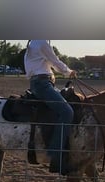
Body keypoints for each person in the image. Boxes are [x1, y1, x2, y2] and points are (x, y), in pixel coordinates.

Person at [24, 40, 77, 175]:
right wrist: (68, 72)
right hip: (43, 84)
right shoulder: (42, 43)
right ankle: (56, 157)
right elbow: (55, 61)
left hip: (39, 83)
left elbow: (50, 63)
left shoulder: (33, 44)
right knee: (67, 112)